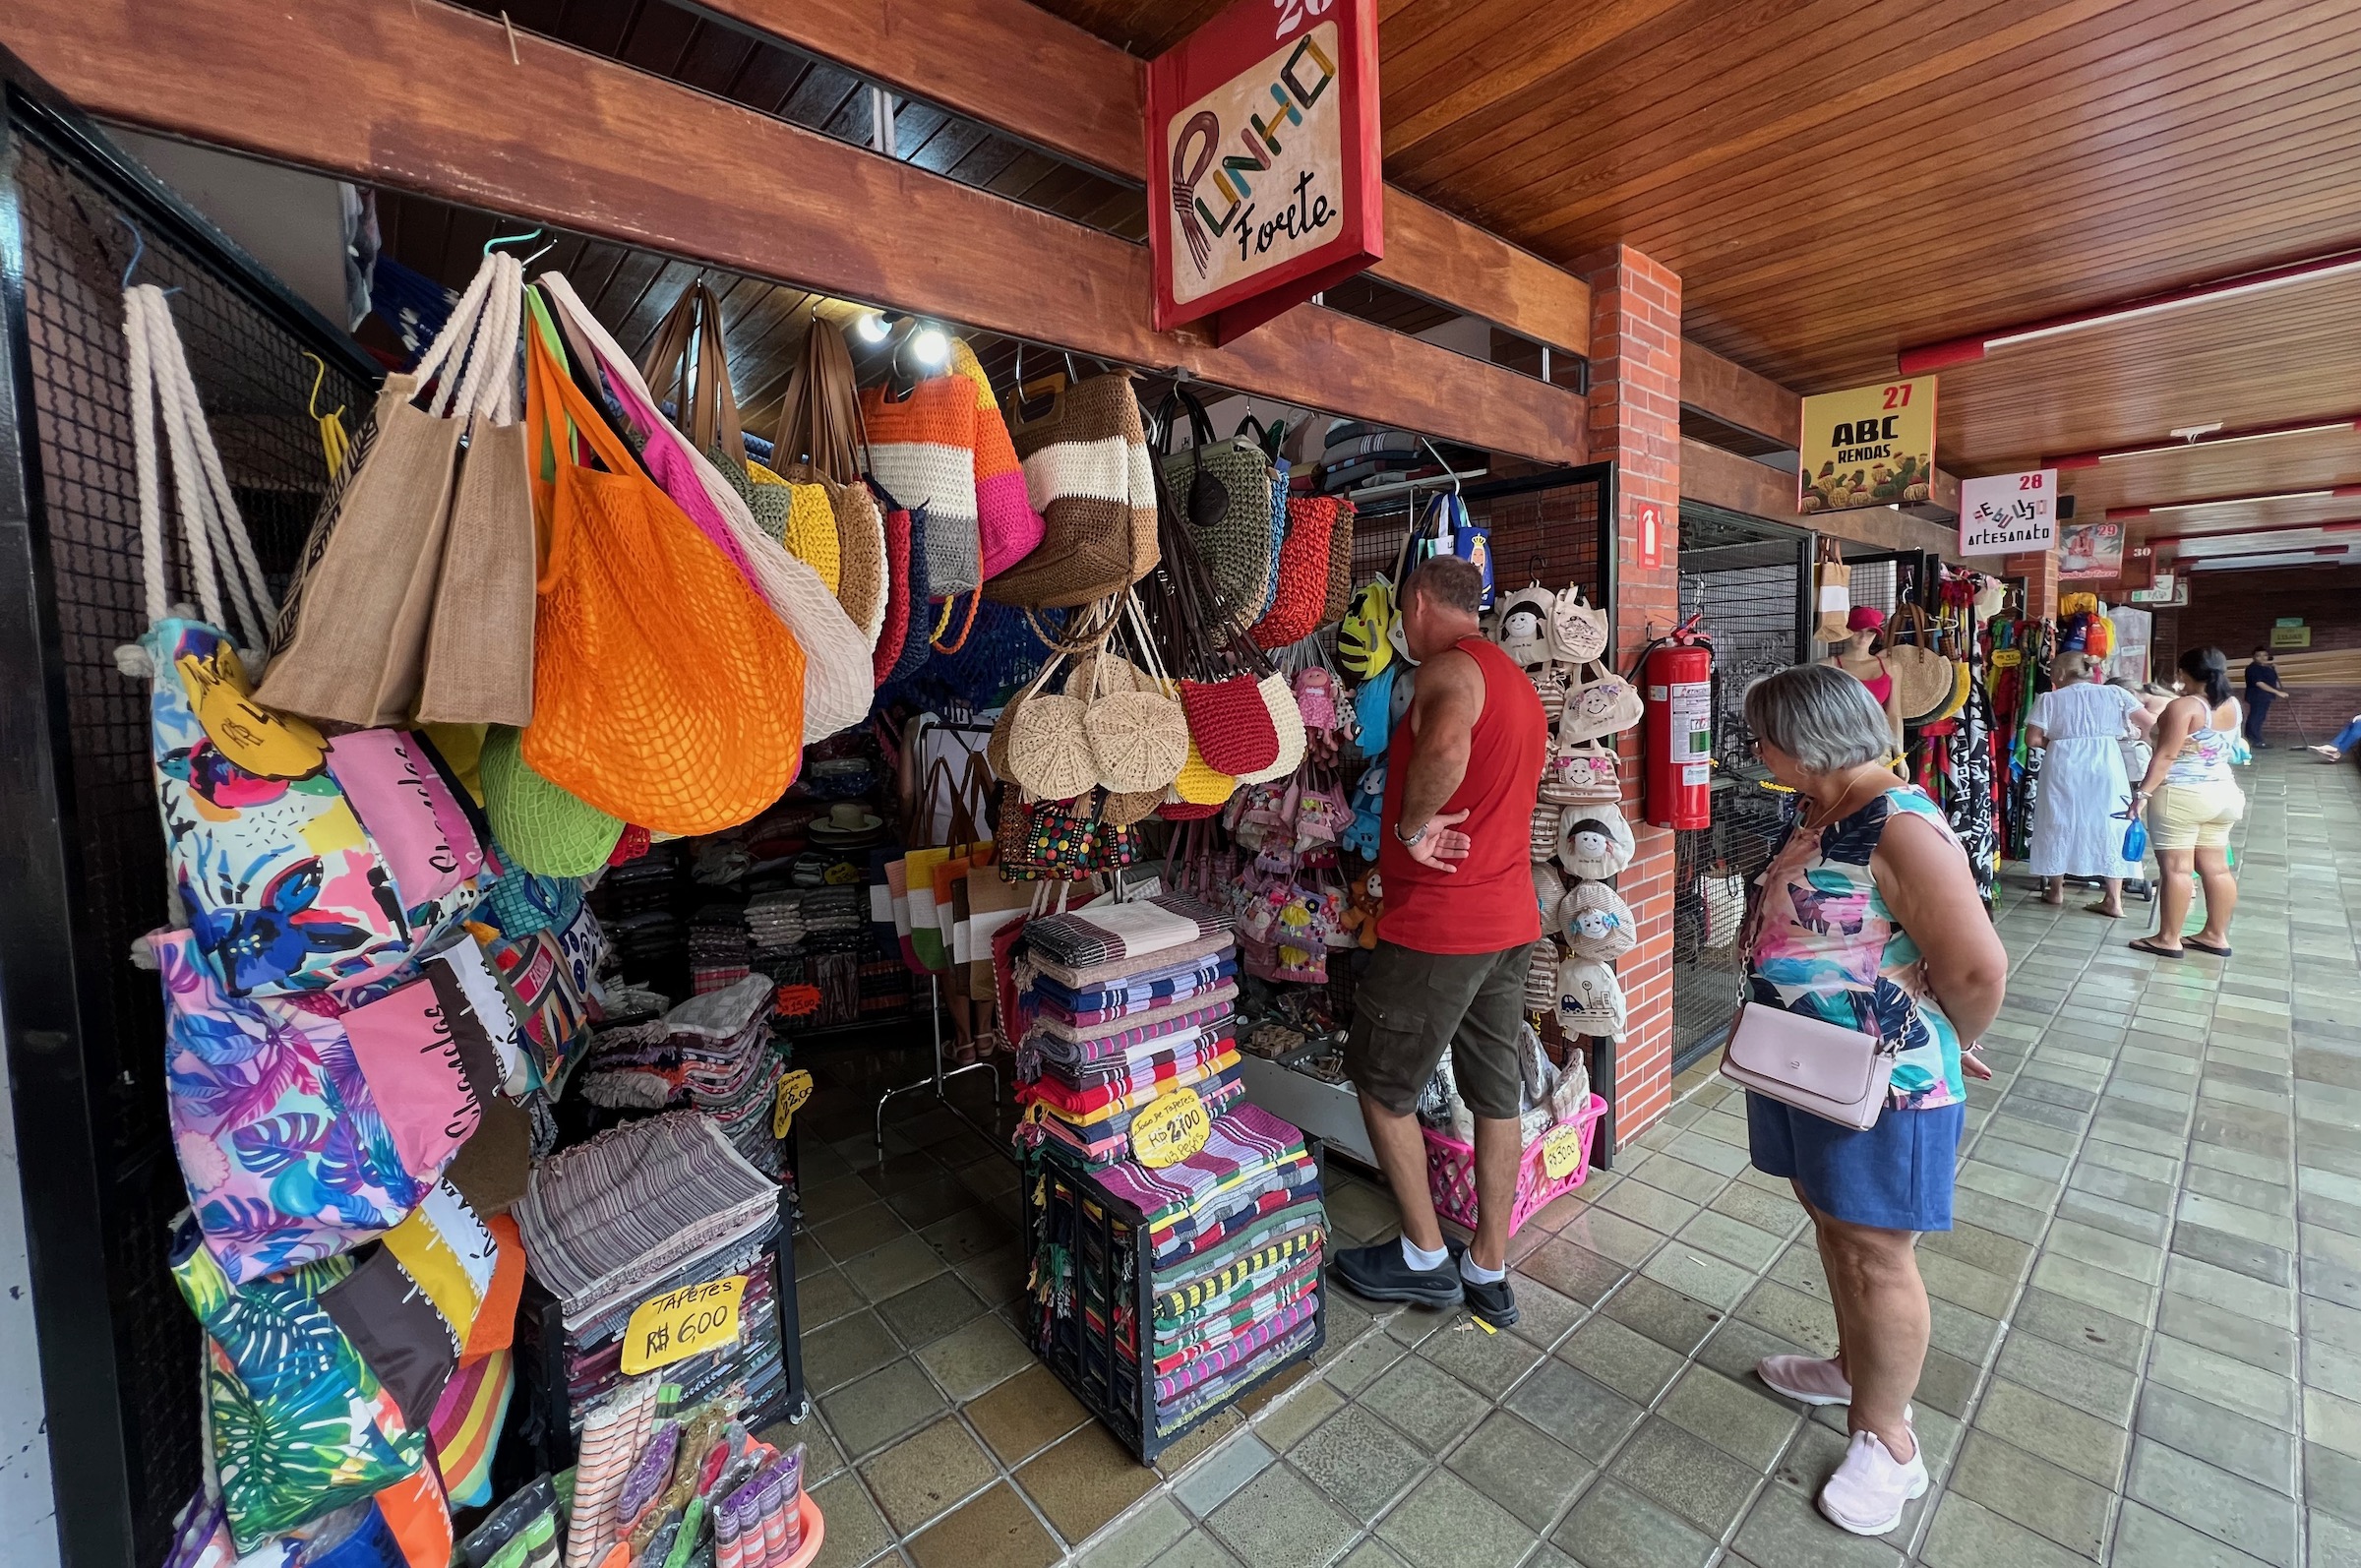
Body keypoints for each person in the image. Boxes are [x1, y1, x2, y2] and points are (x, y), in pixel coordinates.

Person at [1738, 665, 2008, 1537]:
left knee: (1876, 1255)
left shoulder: (1898, 823)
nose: (1755, 751)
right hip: (1807, 1061)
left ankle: (1888, 1439)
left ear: (1806, 739)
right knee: (1835, 1225)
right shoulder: (1826, 809)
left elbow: (1975, 966)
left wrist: (1955, 1036)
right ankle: (1854, 1366)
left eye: (1763, 736)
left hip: (1882, 1079)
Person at [1331, 555, 1546, 1331]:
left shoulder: (1449, 672)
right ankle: (1488, 1264)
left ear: (1418, 604)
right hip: (1509, 922)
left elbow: (1448, 750)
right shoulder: (1516, 682)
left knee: (1381, 1084)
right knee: (1495, 1094)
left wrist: (1411, 829)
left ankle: (1424, 1257)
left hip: (1443, 926)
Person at [2128, 647, 2245, 958]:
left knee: (2177, 870)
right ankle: (2215, 935)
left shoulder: (2183, 707)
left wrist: (2141, 795)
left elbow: (2165, 755)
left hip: (2182, 795)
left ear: (2182, 674)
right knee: (2217, 869)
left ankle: (2168, 938)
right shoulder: (2233, 705)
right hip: (2224, 794)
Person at [2025, 653, 2146, 916]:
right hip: (2107, 764)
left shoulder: (2049, 699)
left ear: (2059, 673)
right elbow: (2150, 724)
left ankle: (2056, 890)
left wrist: (2059, 745)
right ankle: (2113, 899)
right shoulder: (2115, 693)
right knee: (2110, 822)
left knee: (2058, 819)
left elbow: (2032, 739)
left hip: (2062, 766)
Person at [1827, 605, 1905, 753]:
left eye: (1870, 632)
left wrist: (1900, 756)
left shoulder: (1891, 667)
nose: (1864, 637)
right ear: (1847, 630)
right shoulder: (1827, 667)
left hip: (1879, 749)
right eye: (1857, 631)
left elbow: (1894, 715)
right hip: (1839, 748)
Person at [2243, 645, 2289, 749]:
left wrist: (2273, 669)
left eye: (2265, 655)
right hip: (2257, 696)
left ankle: (2254, 738)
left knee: (2259, 717)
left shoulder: (2267, 667)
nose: (2262, 658)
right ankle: (2255, 740)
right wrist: (2278, 692)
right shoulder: (2253, 668)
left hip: (2265, 697)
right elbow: (2259, 683)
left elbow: (2271, 679)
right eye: (2259, 656)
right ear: (2253, 657)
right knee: (2256, 717)